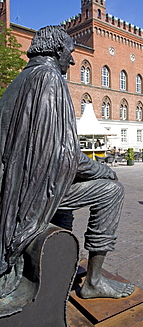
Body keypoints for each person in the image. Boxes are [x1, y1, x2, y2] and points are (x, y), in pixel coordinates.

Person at [0, 26, 134, 299]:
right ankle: (93, 282)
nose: (72, 61)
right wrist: (103, 169)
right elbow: (64, 154)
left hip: (14, 190)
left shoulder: (22, 79)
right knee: (111, 191)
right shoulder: (49, 80)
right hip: (28, 196)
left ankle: (59, 266)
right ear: (57, 50)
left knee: (68, 185)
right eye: (70, 53)